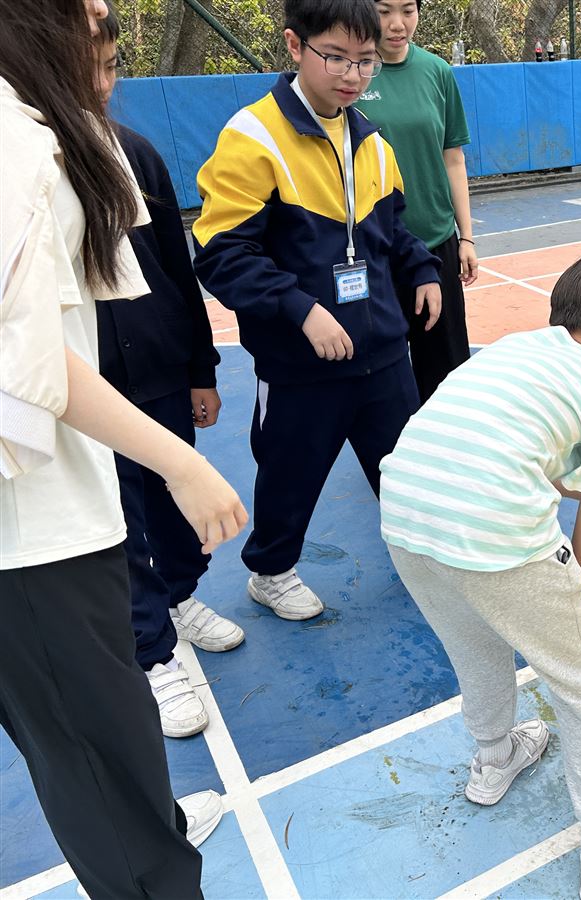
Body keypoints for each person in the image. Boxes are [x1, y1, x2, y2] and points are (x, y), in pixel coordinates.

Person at [0, 1, 248, 896]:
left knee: (100, 743)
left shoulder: (57, 129)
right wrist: (182, 462)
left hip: (57, 503)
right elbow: (31, 361)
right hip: (31, 532)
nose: (105, 18)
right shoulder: (16, 141)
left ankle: (152, 825)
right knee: (94, 755)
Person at [381, 251, 581, 900]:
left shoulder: (514, 349)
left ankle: (494, 758)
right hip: (498, 536)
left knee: (475, 644)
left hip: (406, 515)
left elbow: (516, 453)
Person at [192, 0, 442, 622]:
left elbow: (393, 232)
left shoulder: (372, 141)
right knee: (289, 474)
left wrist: (422, 270)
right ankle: (271, 572)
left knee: (409, 472)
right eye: (335, 57)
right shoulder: (251, 137)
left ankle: (430, 558)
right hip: (299, 364)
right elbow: (221, 252)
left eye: (365, 61)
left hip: (384, 355)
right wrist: (299, 309)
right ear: (294, 46)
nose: (352, 75)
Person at [94, 7, 244, 739]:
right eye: (82, 66)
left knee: (175, 500)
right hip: (90, 389)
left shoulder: (137, 153)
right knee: (119, 523)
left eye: (109, 66)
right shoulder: (26, 167)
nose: (98, 83)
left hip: (158, 370)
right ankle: (153, 653)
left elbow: (178, 277)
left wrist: (201, 367)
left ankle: (181, 596)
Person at [356, 0, 477, 404]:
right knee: (384, 382)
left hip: (436, 244)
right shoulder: (352, 74)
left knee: (446, 375)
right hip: (377, 251)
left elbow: (453, 158)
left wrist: (466, 237)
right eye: (384, 11)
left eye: (407, 10)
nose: (397, 24)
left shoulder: (437, 71)